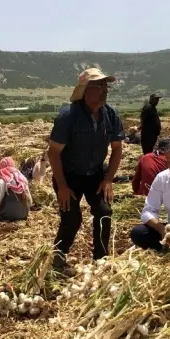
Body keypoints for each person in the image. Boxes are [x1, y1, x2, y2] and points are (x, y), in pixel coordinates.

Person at [48, 68, 124, 271]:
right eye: (100, 86)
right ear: (86, 90)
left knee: (104, 211)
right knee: (72, 219)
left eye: (105, 86)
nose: (105, 91)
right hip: (69, 176)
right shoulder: (69, 116)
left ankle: (100, 258)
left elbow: (117, 149)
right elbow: (53, 153)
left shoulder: (110, 114)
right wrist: (62, 187)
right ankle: (58, 254)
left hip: (95, 175)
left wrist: (108, 179)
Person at [0, 157, 33, 222]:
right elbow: (30, 201)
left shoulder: (3, 181)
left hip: (8, 213)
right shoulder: (23, 179)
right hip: (23, 214)